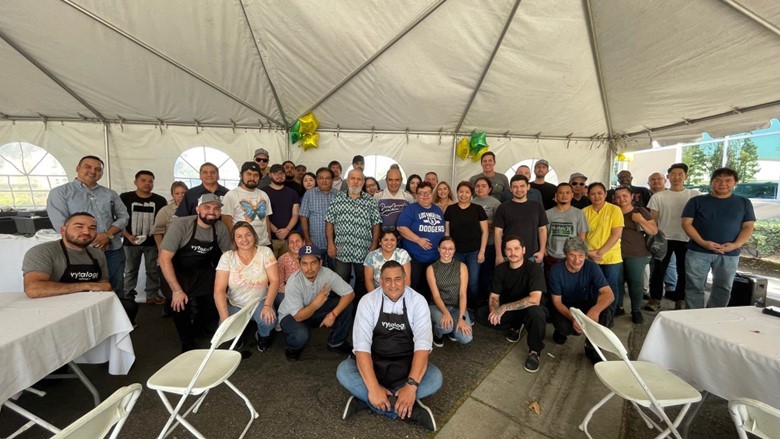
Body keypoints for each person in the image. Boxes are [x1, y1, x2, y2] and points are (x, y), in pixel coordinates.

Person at [336, 261, 440, 431]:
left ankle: (366, 401)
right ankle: (406, 409)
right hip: (374, 367)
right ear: (381, 281)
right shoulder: (368, 301)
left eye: (398, 279)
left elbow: (422, 348)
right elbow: (361, 349)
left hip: (405, 369)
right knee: (343, 370)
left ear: (405, 279)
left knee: (435, 378)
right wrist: (373, 387)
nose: (393, 284)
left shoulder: (418, 302)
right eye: (388, 280)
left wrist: (411, 386)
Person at [47, 155, 129, 299]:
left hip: (112, 249)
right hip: (81, 252)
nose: (93, 171)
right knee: (85, 289)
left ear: (102, 173)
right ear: (78, 168)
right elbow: (61, 224)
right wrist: (95, 238)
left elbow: (124, 216)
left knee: (116, 287)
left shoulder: (110, 193)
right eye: (88, 167)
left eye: (98, 169)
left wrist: (107, 235)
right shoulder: (61, 193)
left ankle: (119, 320)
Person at [159, 194, 231, 352]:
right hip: (175, 269)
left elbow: (228, 256)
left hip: (201, 268)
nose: (212, 212)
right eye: (207, 207)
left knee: (212, 302)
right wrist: (177, 291)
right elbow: (164, 259)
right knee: (179, 304)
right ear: (198, 209)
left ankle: (198, 328)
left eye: (216, 208)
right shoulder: (180, 225)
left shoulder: (220, 228)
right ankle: (186, 341)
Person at [682, 168, 755, 309]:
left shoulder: (744, 202)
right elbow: (686, 223)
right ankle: (693, 316)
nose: (723, 184)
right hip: (698, 251)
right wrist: (703, 243)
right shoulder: (696, 201)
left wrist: (735, 245)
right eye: (718, 180)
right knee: (694, 286)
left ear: (735, 183)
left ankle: (714, 316)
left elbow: (748, 227)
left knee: (724, 287)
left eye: (728, 180)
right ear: (711, 183)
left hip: (729, 253)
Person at [476, 236, 548, 373]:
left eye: (516, 249)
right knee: (481, 314)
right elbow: (494, 296)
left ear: (524, 250)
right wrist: (495, 311)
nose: (512, 252)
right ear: (505, 251)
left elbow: (535, 299)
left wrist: (503, 308)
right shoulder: (501, 269)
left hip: (530, 308)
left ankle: (534, 351)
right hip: (511, 308)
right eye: (509, 249)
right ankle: (517, 324)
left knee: (536, 314)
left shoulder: (534, 269)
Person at [277, 244, 355, 362]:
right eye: (304, 263)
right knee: (301, 335)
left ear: (320, 262)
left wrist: (333, 314)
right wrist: (316, 303)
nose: (309, 268)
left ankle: (336, 342)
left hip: (314, 311)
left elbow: (349, 293)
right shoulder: (294, 282)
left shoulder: (327, 273)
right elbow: (298, 317)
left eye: (313, 263)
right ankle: (292, 347)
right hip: (291, 316)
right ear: (299, 264)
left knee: (346, 304)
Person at [214, 222, 280, 352]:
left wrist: (267, 305)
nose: (244, 239)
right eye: (239, 236)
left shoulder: (265, 252)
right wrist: (224, 317)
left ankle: (262, 336)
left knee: (268, 320)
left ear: (254, 236)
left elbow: (275, 280)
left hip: (259, 301)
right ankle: (237, 338)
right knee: (224, 328)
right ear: (234, 239)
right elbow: (219, 290)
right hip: (235, 303)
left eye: (248, 235)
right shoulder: (227, 257)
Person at [548, 237, 614, 364]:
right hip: (566, 307)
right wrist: (574, 318)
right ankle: (561, 331)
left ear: (585, 255)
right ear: (566, 254)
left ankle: (592, 347)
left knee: (606, 309)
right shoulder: (556, 270)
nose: (577, 260)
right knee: (565, 328)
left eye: (581, 255)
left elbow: (609, 294)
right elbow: (557, 301)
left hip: (586, 305)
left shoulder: (592, 267)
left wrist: (595, 311)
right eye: (572, 255)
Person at [646, 163, 699, 311]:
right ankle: (655, 298)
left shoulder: (694, 195)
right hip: (664, 238)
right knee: (658, 270)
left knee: (684, 270)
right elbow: (653, 219)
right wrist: (655, 237)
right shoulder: (658, 196)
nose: (676, 177)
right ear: (668, 177)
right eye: (673, 174)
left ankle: (680, 299)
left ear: (686, 176)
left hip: (686, 238)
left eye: (680, 174)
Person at [22, 212, 111, 298]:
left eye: (92, 228)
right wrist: (88, 286)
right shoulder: (43, 252)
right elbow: (33, 289)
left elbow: (104, 285)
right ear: (63, 230)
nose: (86, 232)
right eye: (79, 227)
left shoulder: (98, 254)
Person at [326, 169, 382, 303]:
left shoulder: (370, 200)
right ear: (347, 180)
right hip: (342, 248)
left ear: (363, 182)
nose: (356, 182)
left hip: (363, 249)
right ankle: (341, 309)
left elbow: (376, 224)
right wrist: (330, 243)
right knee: (340, 280)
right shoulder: (338, 199)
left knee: (362, 280)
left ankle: (358, 308)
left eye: (359, 179)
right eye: (353, 178)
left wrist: (374, 245)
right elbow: (329, 222)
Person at [120, 170, 168, 304]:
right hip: (130, 242)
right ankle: (127, 296)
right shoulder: (125, 198)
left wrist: (161, 244)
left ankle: (152, 296)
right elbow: (118, 219)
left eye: (150, 181)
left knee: (153, 270)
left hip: (152, 242)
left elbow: (163, 223)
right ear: (135, 182)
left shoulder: (159, 200)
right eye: (143, 180)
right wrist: (128, 236)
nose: (147, 183)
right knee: (130, 270)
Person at [614, 186, 657, 323]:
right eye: (618, 196)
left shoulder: (640, 211)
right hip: (615, 253)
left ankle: (636, 310)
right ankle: (618, 306)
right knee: (617, 281)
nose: (622, 199)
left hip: (637, 253)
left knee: (635, 282)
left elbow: (653, 231)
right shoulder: (612, 211)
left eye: (625, 196)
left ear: (632, 197)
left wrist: (640, 220)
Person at [397, 181, 446, 302]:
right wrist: (418, 240)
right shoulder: (411, 209)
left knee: (431, 289)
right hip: (416, 258)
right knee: (414, 288)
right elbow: (400, 227)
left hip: (434, 258)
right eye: (421, 193)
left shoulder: (438, 210)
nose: (425, 196)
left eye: (428, 192)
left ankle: (427, 314)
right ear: (417, 195)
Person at [444, 181, 487, 312]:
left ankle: (471, 308)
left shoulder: (477, 209)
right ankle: (456, 308)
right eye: (461, 192)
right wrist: (447, 250)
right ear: (457, 193)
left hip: (474, 252)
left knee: (473, 282)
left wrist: (482, 251)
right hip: (456, 253)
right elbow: (447, 232)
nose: (463, 194)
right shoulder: (451, 209)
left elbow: (485, 231)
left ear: (471, 194)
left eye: (467, 192)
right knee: (456, 282)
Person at [582, 182, 624, 315]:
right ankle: (595, 313)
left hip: (611, 256)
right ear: (588, 196)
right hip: (590, 255)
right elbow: (582, 236)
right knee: (593, 286)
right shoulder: (584, 212)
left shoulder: (614, 210)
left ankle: (608, 315)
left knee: (611, 286)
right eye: (593, 194)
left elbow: (616, 234)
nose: (596, 196)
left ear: (605, 194)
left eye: (600, 193)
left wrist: (600, 252)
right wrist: (588, 253)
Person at [494, 175, 548, 266]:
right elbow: (498, 232)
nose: (518, 190)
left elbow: (542, 230)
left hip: (532, 256)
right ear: (510, 189)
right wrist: (499, 255)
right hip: (509, 256)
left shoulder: (537, 206)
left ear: (528, 187)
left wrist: (542, 251)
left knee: (534, 280)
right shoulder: (503, 207)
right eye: (515, 187)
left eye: (522, 186)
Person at [427, 237, 473, 346]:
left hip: (457, 307)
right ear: (438, 249)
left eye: (450, 249)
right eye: (444, 248)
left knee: (466, 338)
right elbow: (436, 296)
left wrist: (462, 318)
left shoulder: (462, 266)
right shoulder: (431, 268)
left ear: (454, 250)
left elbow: (462, 294)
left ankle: (453, 329)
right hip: (438, 306)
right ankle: (437, 333)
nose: (447, 252)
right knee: (445, 327)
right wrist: (446, 313)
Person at [221, 161, 272, 248]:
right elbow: (226, 221)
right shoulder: (231, 195)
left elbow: (266, 218)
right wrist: (235, 242)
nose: (252, 178)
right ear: (241, 175)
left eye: (256, 175)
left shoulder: (264, 194)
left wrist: (269, 239)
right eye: (248, 174)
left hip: (264, 244)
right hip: (243, 245)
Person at [545, 183, 589, 277]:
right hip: (551, 256)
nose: (564, 195)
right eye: (561, 193)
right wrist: (544, 250)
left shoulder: (579, 213)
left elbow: (581, 235)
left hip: (571, 257)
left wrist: (579, 254)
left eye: (567, 193)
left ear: (572, 195)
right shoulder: (547, 214)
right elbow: (544, 234)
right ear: (556, 195)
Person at [471, 177, 501, 307]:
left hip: (490, 244)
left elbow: (499, 224)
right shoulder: (471, 202)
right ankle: (475, 300)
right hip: (475, 244)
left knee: (487, 274)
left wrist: (481, 222)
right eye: (478, 186)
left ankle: (485, 300)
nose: (480, 188)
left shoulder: (495, 203)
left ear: (489, 189)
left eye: (483, 186)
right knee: (474, 276)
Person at [263, 163, 301, 257]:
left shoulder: (292, 193)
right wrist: (276, 231)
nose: (279, 175)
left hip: (289, 239)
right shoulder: (263, 192)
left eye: (282, 173)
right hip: (270, 238)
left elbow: (295, 214)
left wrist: (287, 230)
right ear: (270, 175)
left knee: (289, 267)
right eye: (276, 173)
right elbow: (263, 215)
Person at [300, 167, 335, 253]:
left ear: (332, 180)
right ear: (317, 179)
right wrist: (307, 240)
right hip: (315, 242)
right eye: (321, 178)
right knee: (316, 266)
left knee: (334, 266)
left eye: (327, 178)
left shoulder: (339, 195)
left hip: (335, 243)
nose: (324, 181)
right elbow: (303, 218)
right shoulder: (309, 194)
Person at [375, 167, 414, 232]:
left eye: (397, 180)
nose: (393, 183)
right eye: (390, 180)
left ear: (401, 180)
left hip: (403, 237)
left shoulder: (408, 196)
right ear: (386, 180)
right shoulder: (378, 196)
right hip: (383, 237)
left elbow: (412, 219)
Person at [152, 181, 188, 250]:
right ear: (172, 195)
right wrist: (161, 249)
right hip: (172, 247)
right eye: (177, 193)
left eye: (184, 193)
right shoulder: (165, 211)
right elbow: (157, 232)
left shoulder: (195, 208)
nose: (181, 195)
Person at [276, 231, 304, 307]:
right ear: (288, 245)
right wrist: (296, 291)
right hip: (288, 292)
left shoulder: (309, 257)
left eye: (298, 241)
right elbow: (279, 286)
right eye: (291, 242)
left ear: (303, 242)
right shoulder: (283, 259)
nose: (295, 244)